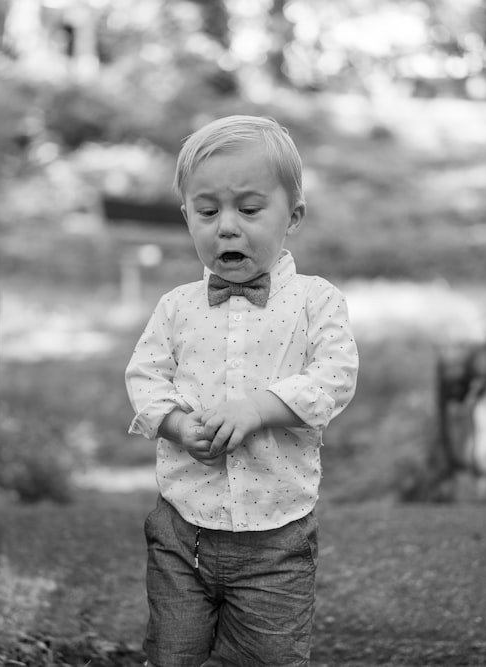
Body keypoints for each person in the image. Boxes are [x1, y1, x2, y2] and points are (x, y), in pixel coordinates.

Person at [124, 114, 359, 667]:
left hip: (276, 538)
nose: (226, 227)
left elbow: (336, 375)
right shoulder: (176, 307)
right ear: (187, 217)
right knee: (172, 653)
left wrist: (261, 407)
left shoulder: (314, 301)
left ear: (292, 215)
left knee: (269, 658)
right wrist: (178, 425)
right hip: (183, 530)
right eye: (207, 212)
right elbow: (145, 374)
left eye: (249, 210)